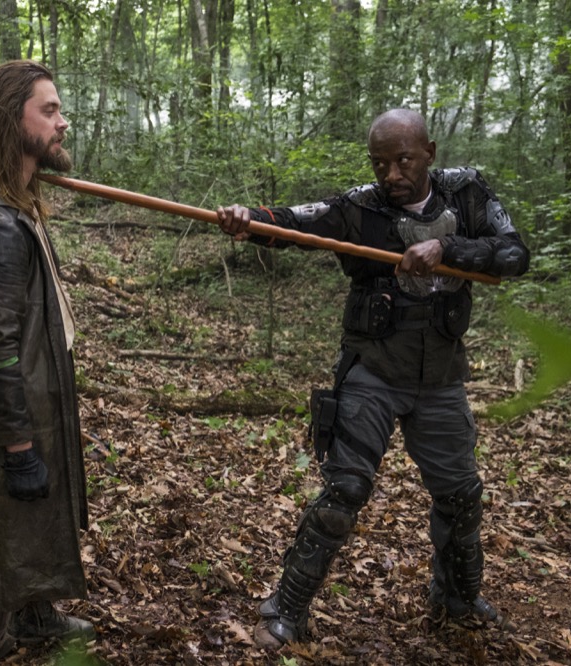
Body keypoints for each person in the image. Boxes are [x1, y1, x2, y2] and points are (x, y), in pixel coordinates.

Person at [215, 108, 530, 649]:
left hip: (441, 379)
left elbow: (514, 254)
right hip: (374, 371)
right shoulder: (359, 207)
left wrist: (447, 249)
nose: (392, 174)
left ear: (429, 152)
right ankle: (286, 608)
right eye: (380, 163)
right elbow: (291, 223)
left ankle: (458, 596)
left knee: (460, 494)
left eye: (403, 160)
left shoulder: (468, 192)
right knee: (346, 489)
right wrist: (249, 220)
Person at [0, 60, 95, 665]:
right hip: (11, 409)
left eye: (60, 109)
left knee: (38, 513)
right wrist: (17, 447)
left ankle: (34, 615)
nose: (63, 122)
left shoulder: (17, 202)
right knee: (0, 529)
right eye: (49, 111)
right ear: (12, 123)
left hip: (38, 392)